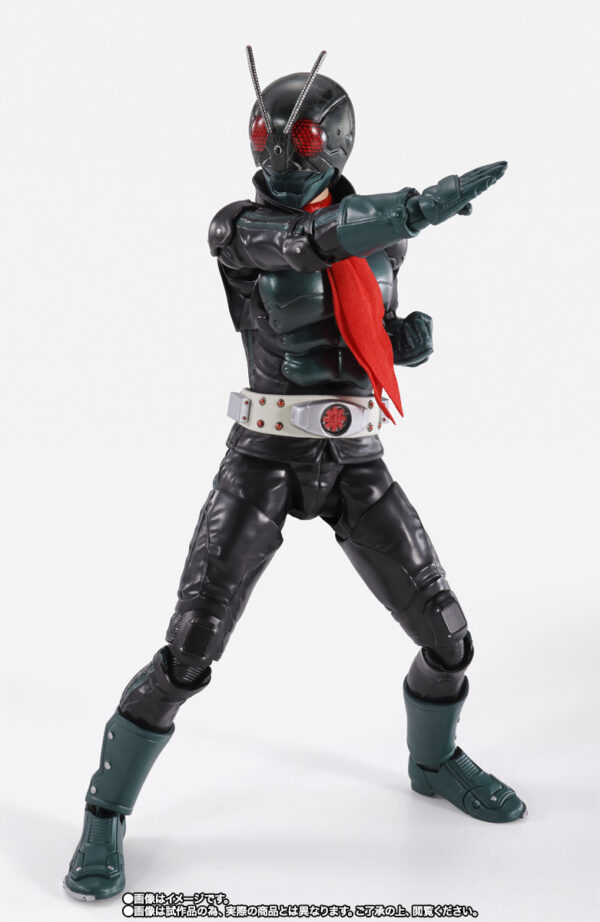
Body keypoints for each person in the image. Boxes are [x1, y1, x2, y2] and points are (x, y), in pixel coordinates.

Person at [64, 47, 525, 903]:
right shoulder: (240, 229)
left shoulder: (382, 243)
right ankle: (104, 813)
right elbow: (309, 243)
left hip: (354, 458)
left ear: (336, 144)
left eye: (301, 138)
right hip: (264, 459)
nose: (278, 155)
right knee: (190, 647)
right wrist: (417, 206)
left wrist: (401, 344)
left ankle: (434, 763)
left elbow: (357, 326)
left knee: (449, 637)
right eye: (265, 135)